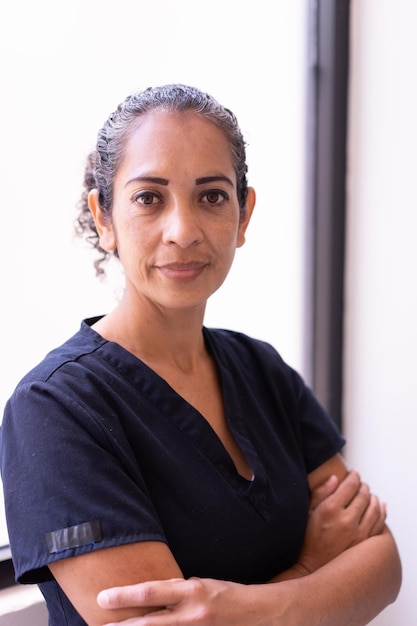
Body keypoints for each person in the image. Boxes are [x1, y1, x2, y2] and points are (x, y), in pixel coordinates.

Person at [0, 84, 401, 626]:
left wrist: (242, 609)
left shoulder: (262, 370)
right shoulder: (55, 408)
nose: (183, 231)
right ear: (104, 216)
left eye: (211, 195)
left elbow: (383, 564)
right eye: (149, 198)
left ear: (243, 214)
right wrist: (311, 569)